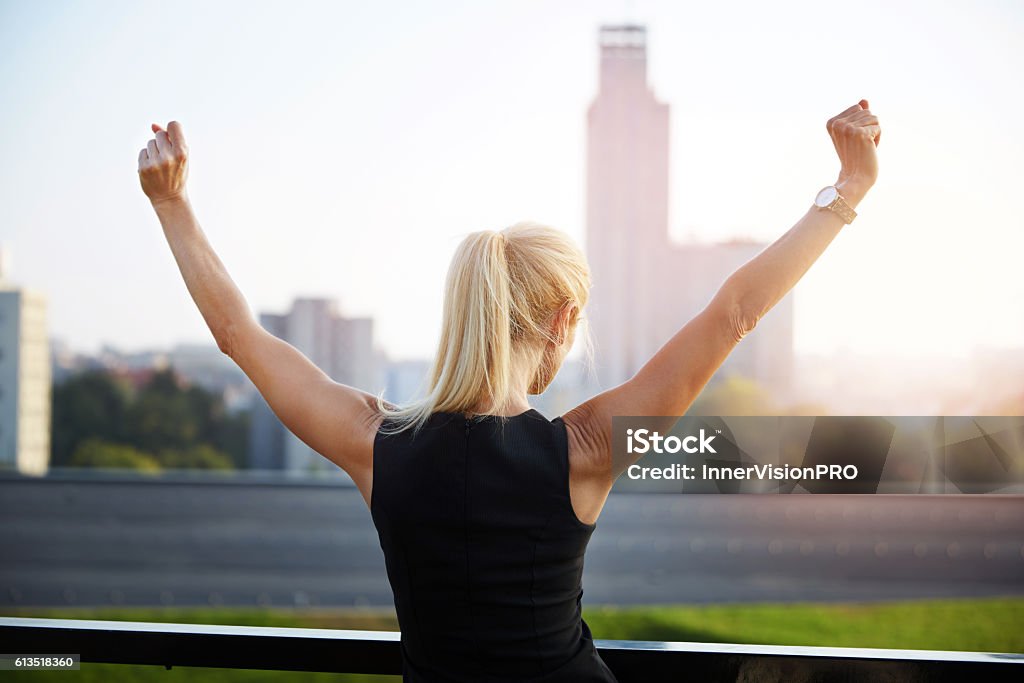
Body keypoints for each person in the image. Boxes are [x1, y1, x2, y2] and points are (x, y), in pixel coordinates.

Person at [137, 100, 881, 682]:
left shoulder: (374, 442)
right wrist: (846, 192)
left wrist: (172, 203)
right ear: (562, 321)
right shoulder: (585, 449)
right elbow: (735, 313)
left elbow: (238, 333)